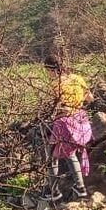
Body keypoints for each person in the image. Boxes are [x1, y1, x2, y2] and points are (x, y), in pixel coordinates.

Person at [43, 59, 94, 202]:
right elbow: (90, 98)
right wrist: (77, 102)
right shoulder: (77, 78)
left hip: (63, 123)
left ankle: (53, 191)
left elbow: (51, 107)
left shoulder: (55, 85)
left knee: (52, 157)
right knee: (70, 154)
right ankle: (80, 187)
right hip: (80, 119)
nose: (48, 75)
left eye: (47, 71)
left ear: (51, 70)